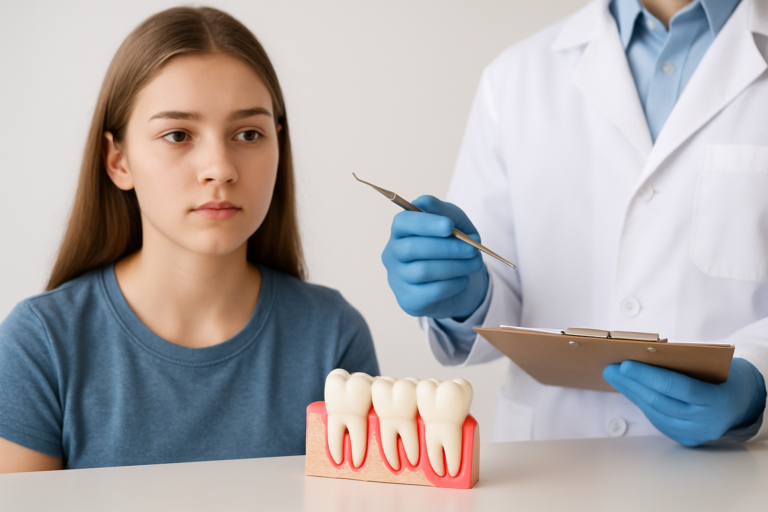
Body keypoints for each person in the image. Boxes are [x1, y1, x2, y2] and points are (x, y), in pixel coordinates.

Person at [0, 6, 378, 473]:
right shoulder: (39, 345)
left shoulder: (334, 337)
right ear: (118, 161)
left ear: (279, 145)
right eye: (178, 134)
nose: (219, 167)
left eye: (248, 133)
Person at [382, 0, 768, 446]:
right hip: (548, 463)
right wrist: (463, 297)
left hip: (731, 472)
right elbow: (497, 298)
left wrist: (756, 377)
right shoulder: (516, 78)